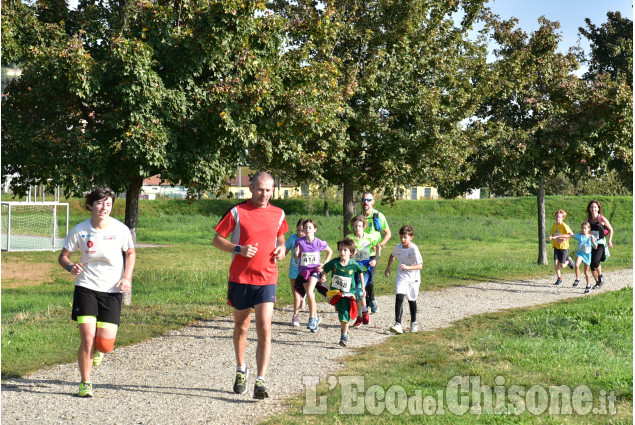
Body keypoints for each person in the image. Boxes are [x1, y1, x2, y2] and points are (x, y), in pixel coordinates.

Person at [212, 171, 288, 399]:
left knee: (265, 327)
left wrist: (282, 249)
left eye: (268, 190)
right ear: (251, 188)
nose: (264, 194)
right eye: (260, 189)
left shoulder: (279, 213)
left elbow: (281, 238)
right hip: (241, 279)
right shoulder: (238, 211)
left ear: (272, 190)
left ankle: (261, 380)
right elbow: (217, 240)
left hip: (267, 278)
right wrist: (238, 249)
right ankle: (241, 369)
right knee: (242, 327)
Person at [58, 187, 135, 398]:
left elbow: (130, 252)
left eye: (108, 204)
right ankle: (85, 382)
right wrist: (69, 266)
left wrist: (127, 277)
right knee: (87, 338)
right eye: (100, 203)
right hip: (86, 287)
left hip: (111, 290)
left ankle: (100, 351)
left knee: (106, 344)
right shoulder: (80, 230)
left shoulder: (120, 230)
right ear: (91, 205)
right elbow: (63, 256)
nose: (104, 207)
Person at [319, 238, 365, 347]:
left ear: (351, 252)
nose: (342, 252)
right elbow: (325, 269)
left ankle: (344, 335)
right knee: (341, 311)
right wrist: (324, 276)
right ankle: (344, 328)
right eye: (340, 250)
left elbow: (360, 272)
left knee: (345, 311)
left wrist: (363, 287)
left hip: (349, 293)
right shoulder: (335, 263)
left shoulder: (354, 264)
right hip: (336, 293)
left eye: (345, 250)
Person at [293, 219, 333, 333]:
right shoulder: (299, 241)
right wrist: (296, 254)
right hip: (304, 272)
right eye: (305, 228)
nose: (307, 230)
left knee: (310, 292)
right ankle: (315, 318)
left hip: (315, 271)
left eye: (310, 228)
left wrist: (324, 264)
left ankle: (311, 318)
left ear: (315, 230)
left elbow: (330, 252)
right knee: (311, 296)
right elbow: (296, 257)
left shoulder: (319, 242)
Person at [357, 192, 391, 313]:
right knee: (361, 277)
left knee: (368, 276)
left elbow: (388, 233)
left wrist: (380, 245)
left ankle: (370, 300)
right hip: (360, 250)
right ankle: (370, 300)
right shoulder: (358, 215)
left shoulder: (378, 215)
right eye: (363, 199)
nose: (365, 202)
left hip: (373, 252)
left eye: (368, 200)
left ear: (373, 202)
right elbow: (353, 231)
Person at [384, 225, 422, 334]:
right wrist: (388, 268)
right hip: (402, 276)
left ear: (411, 237)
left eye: (405, 237)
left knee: (411, 300)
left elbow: (420, 266)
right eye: (401, 237)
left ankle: (413, 322)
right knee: (399, 296)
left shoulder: (414, 249)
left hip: (413, 277)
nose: (403, 240)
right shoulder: (398, 247)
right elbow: (392, 255)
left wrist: (408, 267)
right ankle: (398, 324)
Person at [349, 215, 379, 327]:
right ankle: (360, 316)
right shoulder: (350, 238)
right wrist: (352, 253)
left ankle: (364, 312)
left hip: (365, 269)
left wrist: (375, 259)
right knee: (356, 293)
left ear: (364, 226)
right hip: (353, 270)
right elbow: (344, 250)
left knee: (359, 289)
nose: (357, 228)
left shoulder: (369, 238)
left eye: (360, 226)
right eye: (355, 226)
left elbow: (378, 246)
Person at [551, 222, 598, 294]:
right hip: (580, 254)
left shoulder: (591, 237)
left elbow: (595, 247)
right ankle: (577, 278)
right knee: (576, 264)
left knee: (586, 272)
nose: (583, 230)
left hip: (587, 256)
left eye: (585, 228)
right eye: (582, 228)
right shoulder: (579, 236)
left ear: (589, 229)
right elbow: (568, 235)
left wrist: (593, 242)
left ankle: (588, 285)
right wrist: (556, 237)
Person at [584, 200, 614, 289]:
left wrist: (610, 241)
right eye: (591, 207)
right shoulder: (588, 219)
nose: (593, 209)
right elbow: (584, 229)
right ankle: (598, 283)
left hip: (600, 243)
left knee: (596, 261)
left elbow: (611, 229)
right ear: (589, 209)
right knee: (591, 264)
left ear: (598, 209)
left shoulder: (602, 219)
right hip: (591, 243)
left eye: (595, 207)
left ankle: (600, 276)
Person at [285, 218, 307, 326]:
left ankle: (295, 315)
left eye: (302, 230)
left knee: (300, 292)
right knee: (295, 293)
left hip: (305, 270)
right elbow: (285, 251)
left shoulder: (309, 239)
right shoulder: (292, 239)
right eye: (298, 230)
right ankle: (296, 315)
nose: (300, 233)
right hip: (294, 269)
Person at [549, 209, 574, 285]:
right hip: (556, 247)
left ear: (562, 218)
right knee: (556, 264)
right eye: (556, 217)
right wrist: (552, 237)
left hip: (563, 247)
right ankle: (559, 278)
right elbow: (554, 235)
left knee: (562, 265)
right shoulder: (554, 226)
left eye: (559, 217)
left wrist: (562, 240)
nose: (558, 218)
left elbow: (571, 235)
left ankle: (569, 260)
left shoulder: (564, 226)